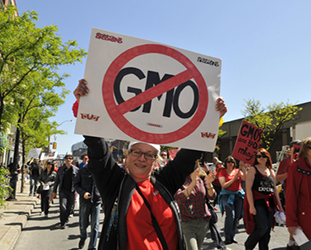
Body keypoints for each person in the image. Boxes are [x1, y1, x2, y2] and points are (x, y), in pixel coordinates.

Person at [73, 78, 227, 250]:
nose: (142, 158)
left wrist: (211, 119)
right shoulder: (114, 184)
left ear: (156, 160)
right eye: (137, 152)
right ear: (127, 156)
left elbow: (191, 152)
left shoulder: (165, 181)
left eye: (149, 154)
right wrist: (86, 105)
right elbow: (98, 150)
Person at [244, 148, 283, 250]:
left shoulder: (271, 171)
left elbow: (275, 189)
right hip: (258, 202)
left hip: (270, 203)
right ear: (256, 158)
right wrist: (251, 206)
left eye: (264, 156)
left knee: (267, 230)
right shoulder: (253, 169)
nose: (262, 158)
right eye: (259, 156)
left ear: (268, 158)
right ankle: (249, 245)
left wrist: (280, 207)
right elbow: (248, 189)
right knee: (262, 227)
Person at [175, 161, 216, 250]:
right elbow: (180, 198)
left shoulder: (201, 178)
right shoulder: (179, 179)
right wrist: (193, 182)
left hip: (203, 222)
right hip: (187, 223)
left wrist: (209, 183)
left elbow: (212, 196)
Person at [275, 140, 301, 250]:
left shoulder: (305, 161)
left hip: (304, 193)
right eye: (296, 148)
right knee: (295, 218)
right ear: (290, 150)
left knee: (301, 219)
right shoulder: (285, 162)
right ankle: (295, 243)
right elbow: (278, 178)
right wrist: (289, 172)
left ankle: (294, 243)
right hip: (290, 192)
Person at [74, 160, 102, 250]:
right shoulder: (82, 171)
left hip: (97, 202)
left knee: (95, 226)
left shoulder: (101, 172)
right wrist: (83, 193)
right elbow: (76, 185)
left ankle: (92, 247)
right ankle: (83, 237)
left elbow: (104, 187)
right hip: (85, 202)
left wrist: (104, 201)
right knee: (83, 224)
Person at [217, 156, 245, 245]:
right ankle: (227, 236)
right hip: (227, 196)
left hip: (238, 195)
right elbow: (223, 185)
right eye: (228, 161)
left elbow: (245, 178)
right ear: (225, 163)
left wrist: (243, 167)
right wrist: (233, 179)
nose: (230, 163)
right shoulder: (222, 172)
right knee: (230, 215)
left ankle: (232, 236)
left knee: (236, 216)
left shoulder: (238, 171)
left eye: (232, 162)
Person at [50, 154, 79, 229]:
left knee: (70, 207)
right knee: (63, 206)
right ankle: (63, 222)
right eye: (67, 158)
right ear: (65, 160)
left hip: (72, 191)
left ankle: (66, 218)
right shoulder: (61, 169)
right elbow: (57, 181)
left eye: (70, 158)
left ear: (72, 160)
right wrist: (54, 191)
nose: (68, 159)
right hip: (63, 190)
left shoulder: (76, 170)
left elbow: (79, 181)